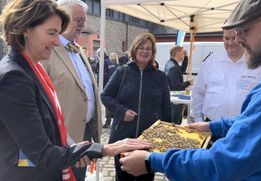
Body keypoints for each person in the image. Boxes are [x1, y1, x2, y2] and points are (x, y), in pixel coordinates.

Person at [119, 0, 261, 180]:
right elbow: (253, 120)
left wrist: (153, 161)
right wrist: (212, 126)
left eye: (245, 30)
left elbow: (221, 163)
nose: (239, 39)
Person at [0, 0, 150, 181]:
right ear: (25, 29)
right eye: (51, 33)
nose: (57, 42)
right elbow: (41, 153)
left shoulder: (32, 68)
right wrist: (103, 149)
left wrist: (75, 149)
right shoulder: (14, 77)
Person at [40, 1, 102, 179]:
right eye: (77, 20)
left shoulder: (79, 49)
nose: (82, 24)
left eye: (84, 20)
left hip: (85, 133)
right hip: (62, 140)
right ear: (62, 19)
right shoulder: (47, 51)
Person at [101, 32, 171, 181]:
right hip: (123, 138)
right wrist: (122, 111)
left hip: (149, 139)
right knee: (123, 177)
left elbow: (166, 107)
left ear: (152, 53)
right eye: (141, 47)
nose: (145, 51)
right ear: (135, 49)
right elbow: (105, 96)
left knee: (145, 178)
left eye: (148, 49)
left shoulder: (160, 77)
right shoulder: (122, 71)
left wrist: (168, 136)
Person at [191, 28, 261, 123]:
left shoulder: (258, 63)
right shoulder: (211, 62)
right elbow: (198, 92)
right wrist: (198, 119)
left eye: (234, 38)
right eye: (226, 38)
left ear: (243, 37)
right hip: (211, 127)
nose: (230, 42)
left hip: (245, 127)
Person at [165, 46, 193, 125]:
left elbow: (182, 69)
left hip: (174, 99)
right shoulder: (173, 67)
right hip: (175, 101)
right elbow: (176, 87)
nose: (183, 54)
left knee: (176, 123)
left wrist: (186, 57)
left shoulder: (171, 63)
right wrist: (188, 83)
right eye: (182, 52)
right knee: (175, 124)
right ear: (177, 53)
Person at [103, 52, 119, 129]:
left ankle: (108, 121)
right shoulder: (116, 64)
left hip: (108, 85)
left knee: (108, 104)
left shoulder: (106, 62)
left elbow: (104, 74)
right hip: (115, 87)